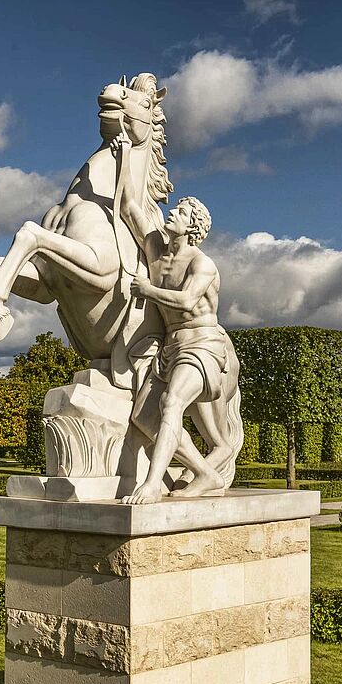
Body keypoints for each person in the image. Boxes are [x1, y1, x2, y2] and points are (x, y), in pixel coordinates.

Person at [110, 131, 238, 504]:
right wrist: (124, 158)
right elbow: (130, 205)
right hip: (170, 347)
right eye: (175, 208)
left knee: (172, 405)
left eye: (181, 212)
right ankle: (207, 473)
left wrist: (147, 290)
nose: (172, 213)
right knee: (145, 418)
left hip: (203, 345)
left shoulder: (202, 263)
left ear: (193, 227)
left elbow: (185, 301)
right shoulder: (155, 248)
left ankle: (151, 485)